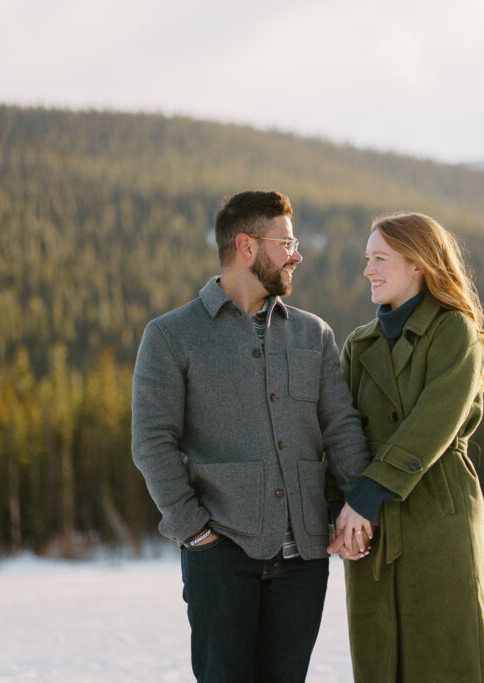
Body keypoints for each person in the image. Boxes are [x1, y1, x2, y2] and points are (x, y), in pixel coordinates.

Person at [131, 190, 373, 683]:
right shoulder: (170, 336)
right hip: (220, 558)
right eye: (285, 242)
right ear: (246, 246)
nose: (297, 254)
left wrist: (357, 505)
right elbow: (152, 442)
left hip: (304, 561)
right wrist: (193, 529)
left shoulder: (315, 334)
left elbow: (342, 427)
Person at [327, 212, 484, 682]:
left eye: (380, 258)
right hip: (371, 529)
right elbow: (341, 433)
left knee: (444, 657)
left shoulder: (454, 332)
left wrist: (363, 499)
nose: (368, 269)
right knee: (378, 660)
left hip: (436, 514)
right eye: (367, 259)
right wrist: (338, 514)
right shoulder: (358, 345)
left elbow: (431, 426)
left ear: (418, 265)